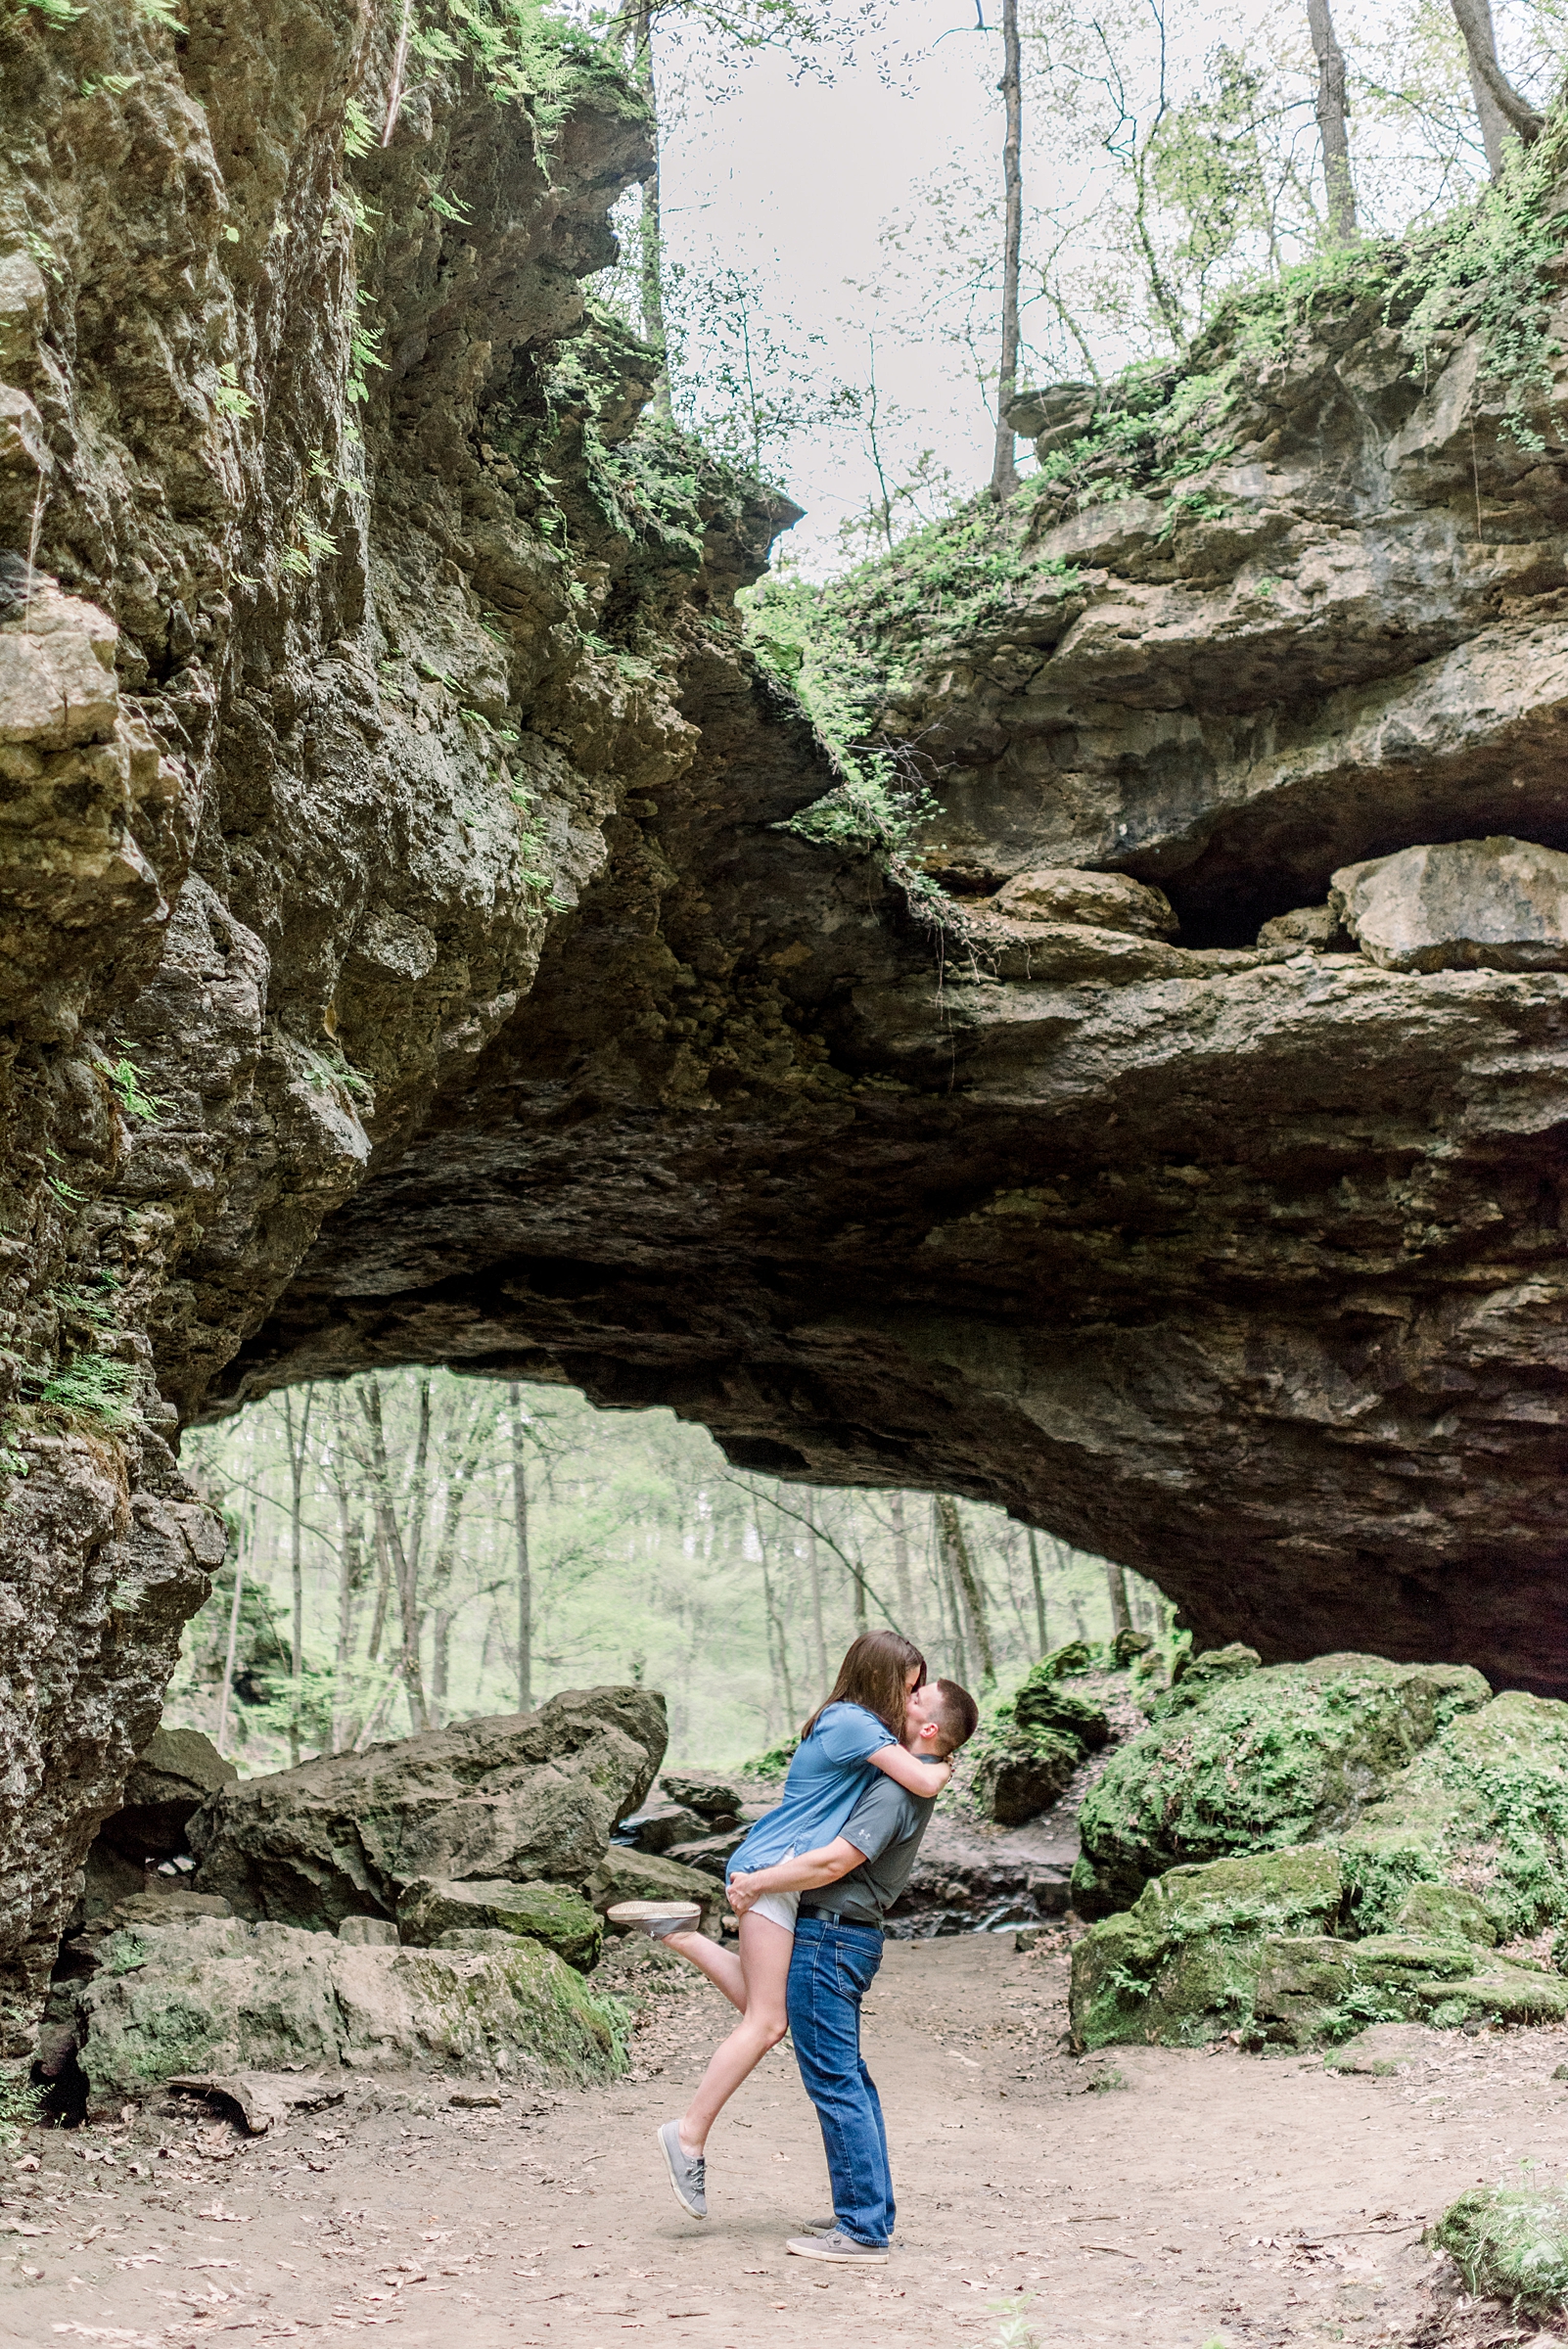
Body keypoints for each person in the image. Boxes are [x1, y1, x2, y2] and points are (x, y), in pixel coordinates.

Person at [608, 1630, 952, 2221]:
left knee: (768, 2011)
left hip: (788, 1873)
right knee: (767, 2023)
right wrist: (944, 1760)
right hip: (774, 1869)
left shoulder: (857, 1724)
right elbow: (922, 1779)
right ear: (882, 1677)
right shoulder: (852, 1721)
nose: (913, 1693)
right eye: (911, 1683)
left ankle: (680, 1933)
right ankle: (687, 2135)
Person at [731, 1674, 980, 2265]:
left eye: (914, 1698)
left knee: (836, 2082)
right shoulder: (903, 1776)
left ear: (927, 1729)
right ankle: (867, 2206)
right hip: (844, 1939)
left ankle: (864, 2229)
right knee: (851, 2080)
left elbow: (833, 1862)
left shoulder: (896, 1793)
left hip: (832, 1940)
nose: (901, 1700)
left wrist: (757, 1883)